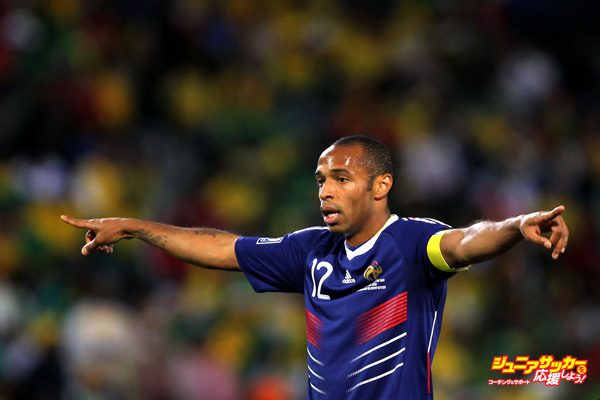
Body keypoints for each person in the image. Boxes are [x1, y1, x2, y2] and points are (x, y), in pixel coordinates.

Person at [61, 135, 569, 399]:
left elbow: (464, 243)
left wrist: (515, 225)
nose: (324, 189)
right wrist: (134, 226)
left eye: (341, 177)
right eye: (321, 178)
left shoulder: (412, 243)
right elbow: (221, 247)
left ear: (380, 185)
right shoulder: (310, 252)